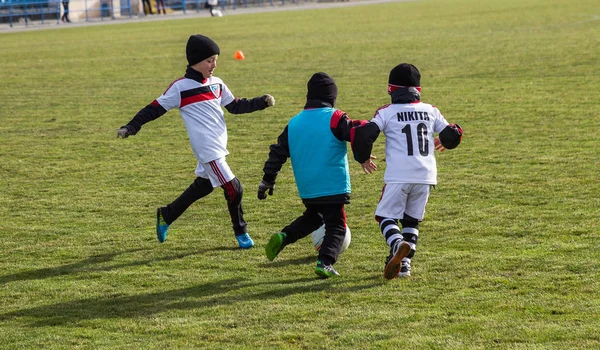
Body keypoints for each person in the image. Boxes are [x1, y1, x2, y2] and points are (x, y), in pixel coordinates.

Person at [117, 34, 275, 249]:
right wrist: (131, 126)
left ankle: (167, 214)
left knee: (204, 186)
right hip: (207, 149)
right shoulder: (180, 88)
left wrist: (261, 102)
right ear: (195, 61)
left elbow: (236, 105)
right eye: (209, 60)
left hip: (218, 146)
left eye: (216, 59)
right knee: (234, 188)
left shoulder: (217, 84)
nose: (214, 64)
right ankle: (241, 231)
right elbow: (154, 108)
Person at [258, 72, 376, 278]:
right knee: (337, 226)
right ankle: (326, 262)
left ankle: (284, 236)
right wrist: (363, 156)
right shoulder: (335, 117)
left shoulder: (294, 123)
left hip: (308, 187)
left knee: (315, 217)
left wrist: (268, 179)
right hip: (332, 184)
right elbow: (357, 133)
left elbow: (278, 151)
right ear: (332, 97)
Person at [352, 63, 463, 279]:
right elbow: (453, 134)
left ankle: (396, 245)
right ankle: (404, 266)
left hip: (398, 176)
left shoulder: (388, 111)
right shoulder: (431, 110)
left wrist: (362, 157)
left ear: (391, 89)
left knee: (385, 217)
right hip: (426, 176)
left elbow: (365, 134)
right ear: (418, 90)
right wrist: (445, 141)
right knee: (411, 221)